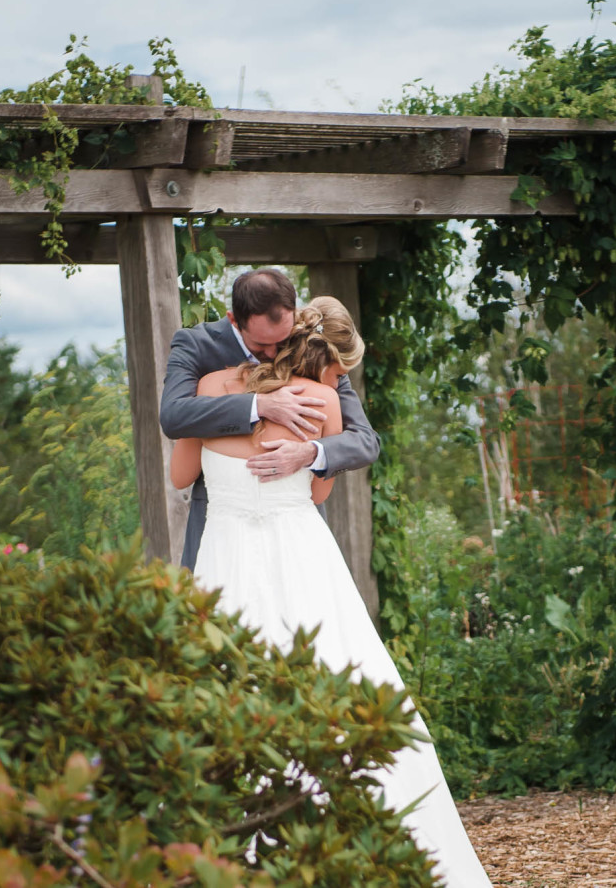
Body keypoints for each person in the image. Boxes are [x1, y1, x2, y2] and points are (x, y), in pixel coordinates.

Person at [170, 296, 493, 888]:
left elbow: (180, 476)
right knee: (337, 673)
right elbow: (318, 497)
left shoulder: (211, 387)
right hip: (303, 556)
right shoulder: (321, 399)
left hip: (228, 556)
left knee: (230, 689)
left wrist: (236, 440)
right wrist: (299, 456)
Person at [159, 268, 380, 570]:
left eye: (282, 341)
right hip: (220, 533)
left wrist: (311, 453)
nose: (274, 353)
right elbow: (173, 416)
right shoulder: (198, 346)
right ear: (234, 320)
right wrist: (257, 405)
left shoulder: (313, 352)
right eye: (261, 345)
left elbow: (366, 441)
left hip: (294, 531)